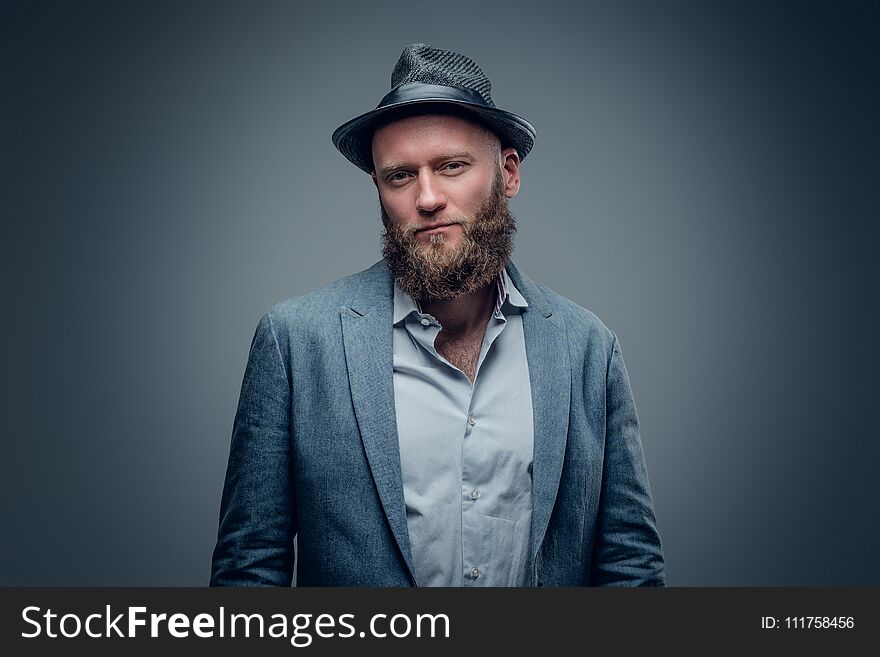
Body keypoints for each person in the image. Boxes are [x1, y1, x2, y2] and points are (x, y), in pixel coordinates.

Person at [210, 43, 665, 587]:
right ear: (379, 189)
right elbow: (248, 570)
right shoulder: (295, 343)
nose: (427, 198)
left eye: (452, 166)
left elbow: (629, 566)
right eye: (400, 176)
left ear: (509, 173)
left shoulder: (587, 348)